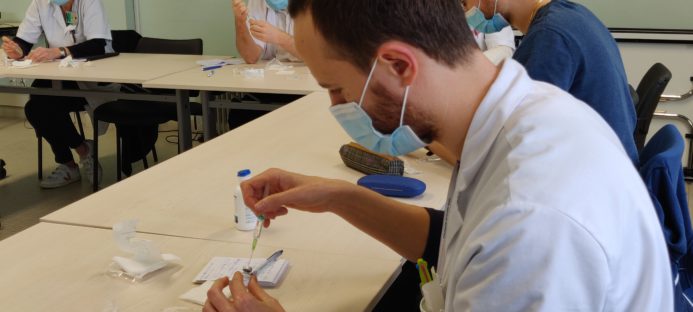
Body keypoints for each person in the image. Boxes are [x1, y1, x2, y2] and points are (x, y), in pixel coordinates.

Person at [204, 1, 672, 311]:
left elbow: (497, 240)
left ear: (399, 65)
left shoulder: (531, 219)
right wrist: (340, 198)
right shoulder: (514, 114)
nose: (336, 107)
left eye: (337, 88)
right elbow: (456, 241)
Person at [461, 0, 639, 165]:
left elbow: (517, 140)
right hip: (610, 169)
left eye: (464, 1)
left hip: (596, 181)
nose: (465, 9)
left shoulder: (549, 37)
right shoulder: (572, 15)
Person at [2, 0, 112, 189]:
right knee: (35, 108)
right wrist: (17, 49)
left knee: (44, 106)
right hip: (60, 72)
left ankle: (75, 158)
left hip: (94, 72)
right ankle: (79, 155)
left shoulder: (89, 2)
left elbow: (98, 44)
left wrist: (59, 51)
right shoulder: (41, 3)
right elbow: (24, 41)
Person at [227, 0, 302, 130]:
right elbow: (251, 56)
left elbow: (321, 54)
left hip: (306, 87)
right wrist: (240, 23)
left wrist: (280, 38)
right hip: (270, 85)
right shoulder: (258, 2)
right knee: (239, 114)